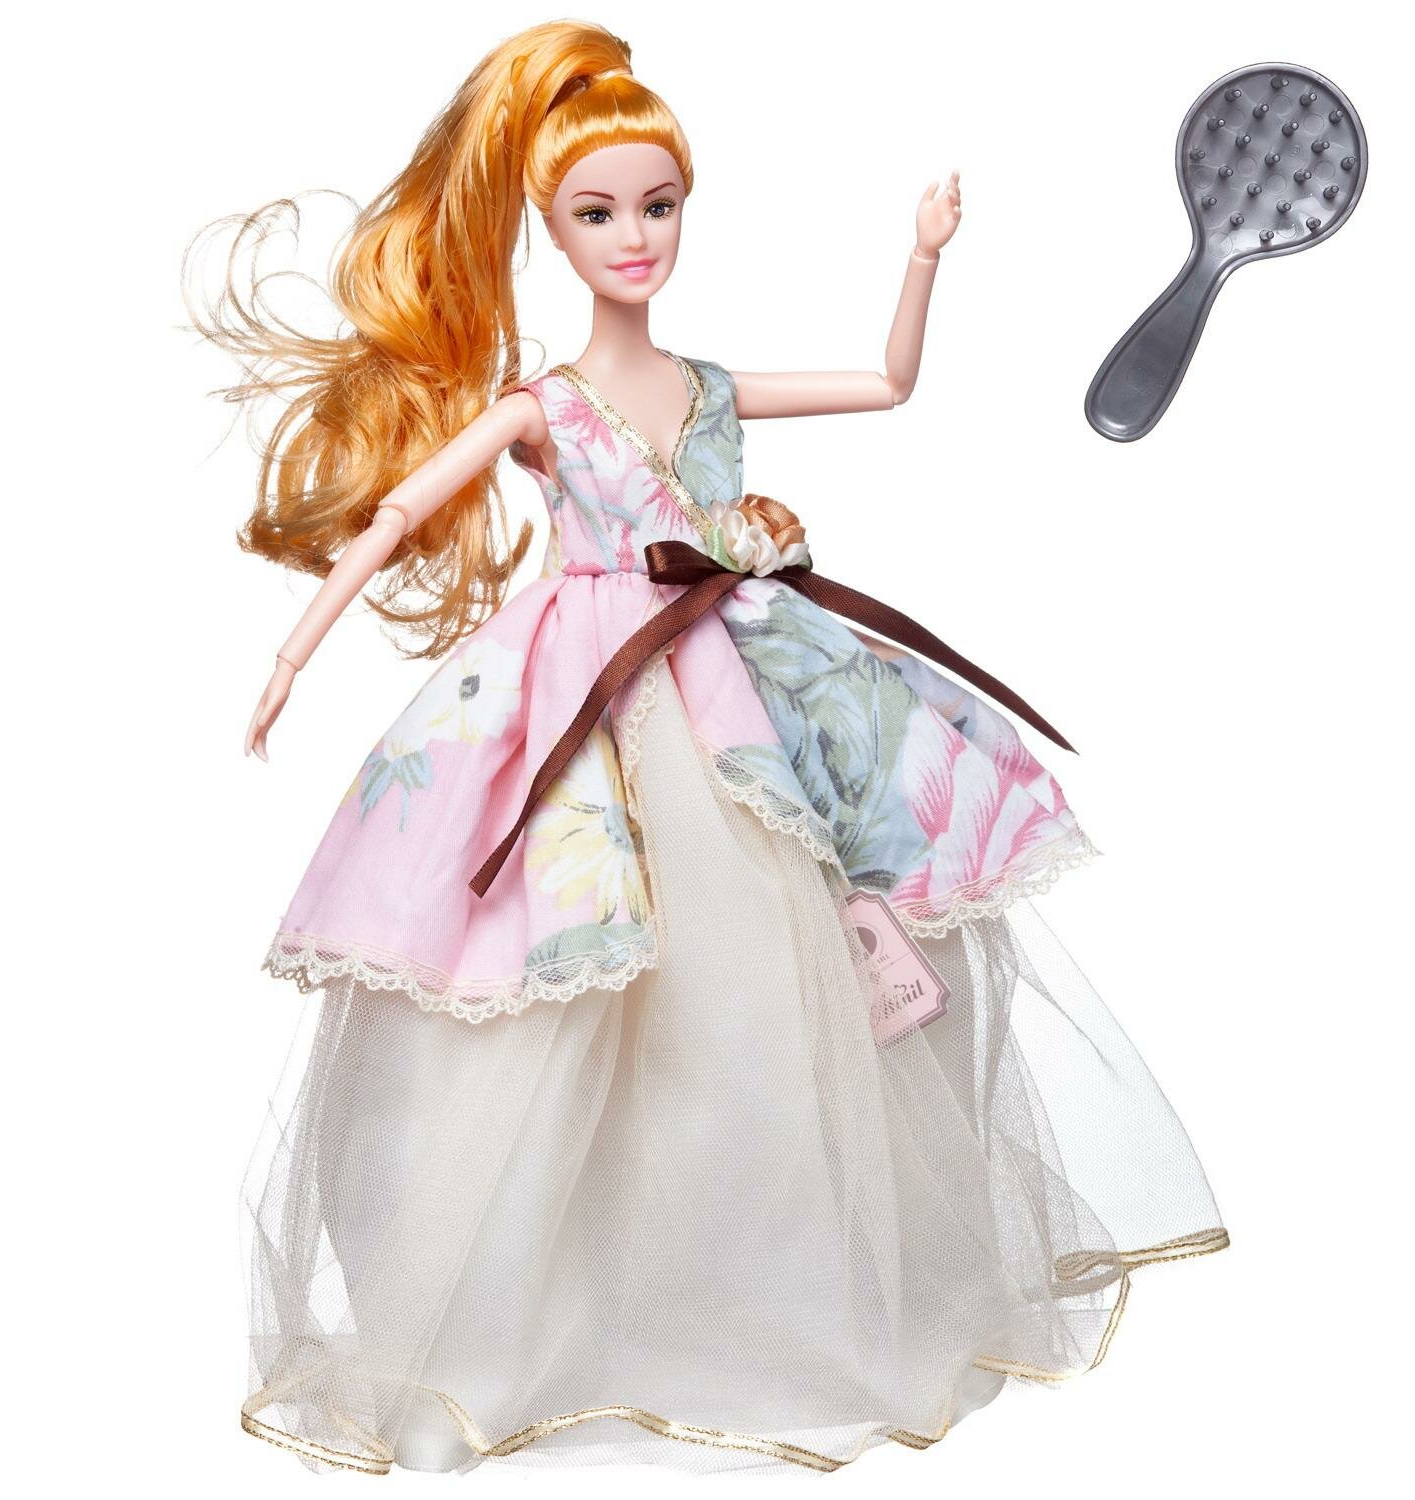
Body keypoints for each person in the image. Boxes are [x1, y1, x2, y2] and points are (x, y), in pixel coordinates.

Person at [186, 18, 1229, 1476]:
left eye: (658, 205)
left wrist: (922, 257)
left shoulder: (714, 387)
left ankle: (780, 1299)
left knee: (771, 976)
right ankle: (546, 1316)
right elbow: (404, 510)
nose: (635, 238)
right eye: (598, 213)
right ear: (549, 227)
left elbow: (888, 385)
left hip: (743, 673)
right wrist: (295, 650)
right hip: (591, 691)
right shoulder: (543, 408)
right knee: (570, 968)